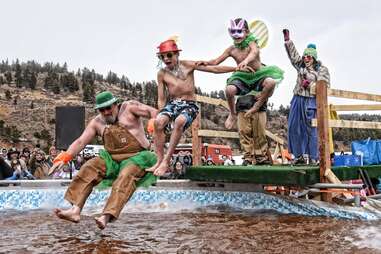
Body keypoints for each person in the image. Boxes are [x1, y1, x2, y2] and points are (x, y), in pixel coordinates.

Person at [52, 91, 158, 230]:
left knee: (125, 177)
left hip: (137, 157)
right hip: (112, 160)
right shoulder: (97, 122)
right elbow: (80, 141)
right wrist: (65, 157)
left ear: (116, 104)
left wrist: (153, 122)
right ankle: (75, 211)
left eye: (109, 107)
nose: (106, 112)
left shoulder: (129, 107)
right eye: (102, 110)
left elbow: (154, 112)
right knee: (89, 167)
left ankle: (106, 216)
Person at [147, 39, 236, 176]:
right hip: (173, 104)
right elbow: (161, 98)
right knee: (158, 122)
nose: (166, 59)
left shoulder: (188, 65)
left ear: (177, 54)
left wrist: (235, 68)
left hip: (189, 104)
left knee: (179, 121)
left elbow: (214, 69)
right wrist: (161, 115)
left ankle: (166, 161)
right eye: (162, 56)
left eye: (169, 55)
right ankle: (159, 161)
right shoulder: (162, 74)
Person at [197, 18, 284, 130]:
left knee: (271, 82)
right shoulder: (231, 50)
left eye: (239, 31)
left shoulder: (253, 43)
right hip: (242, 77)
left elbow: (254, 52)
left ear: (247, 32)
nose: (236, 35)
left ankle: (257, 106)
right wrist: (206, 62)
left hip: (258, 75)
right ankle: (233, 113)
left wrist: (245, 61)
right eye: (233, 32)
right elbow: (215, 62)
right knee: (229, 89)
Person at [283, 29, 330, 165]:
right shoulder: (300, 66)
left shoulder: (322, 70)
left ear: (314, 58)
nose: (305, 59)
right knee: (294, 127)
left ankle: (314, 157)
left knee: (311, 129)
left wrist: (309, 85)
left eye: (308, 57)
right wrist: (288, 42)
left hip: (311, 101)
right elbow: (294, 56)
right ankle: (298, 156)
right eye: (304, 56)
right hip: (298, 98)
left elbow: (325, 86)